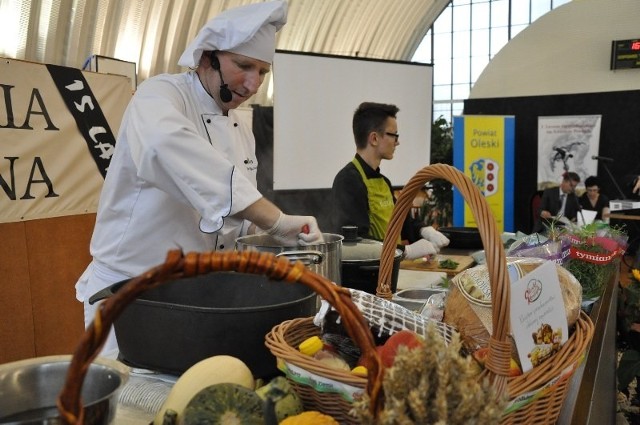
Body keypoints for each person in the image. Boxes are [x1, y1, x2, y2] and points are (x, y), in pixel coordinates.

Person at [75, 0, 324, 357]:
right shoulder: (160, 95)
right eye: (243, 66)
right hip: (127, 297)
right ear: (208, 58)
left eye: (263, 72)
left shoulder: (241, 130)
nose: (253, 83)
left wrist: (270, 235)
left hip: (190, 299)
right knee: (127, 405)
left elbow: (230, 216)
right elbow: (169, 149)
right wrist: (275, 218)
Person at [330, 102, 449, 260]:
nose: (397, 142)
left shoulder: (383, 181)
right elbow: (356, 243)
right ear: (374, 138)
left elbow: (400, 222)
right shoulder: (348, 181)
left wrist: (424, 231)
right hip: (366, 278)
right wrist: (405, 251)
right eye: (394, 135)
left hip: (390, 270)